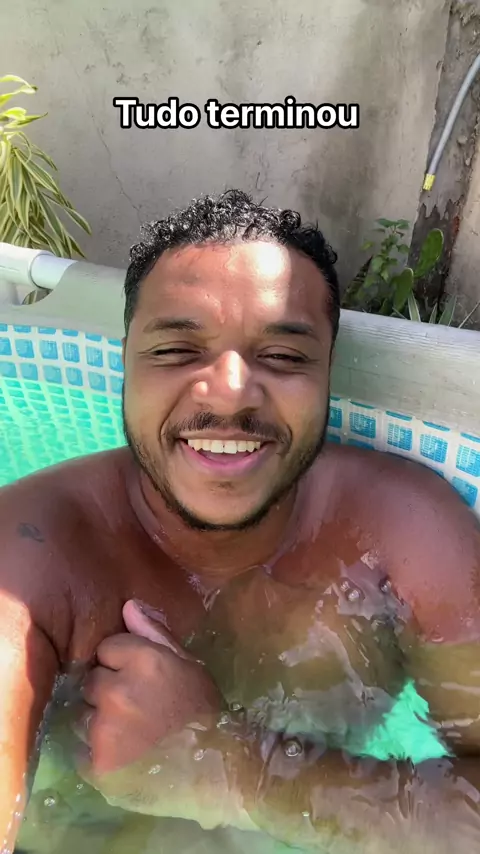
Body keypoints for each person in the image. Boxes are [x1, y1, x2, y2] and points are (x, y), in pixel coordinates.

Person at [2, 189, 480, 854]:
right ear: (124, 363)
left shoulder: (406, 536)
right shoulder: (28, 557)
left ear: (327, 373)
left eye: (282, 356)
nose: (230, 393)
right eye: (177, 349)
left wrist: (228, 767)